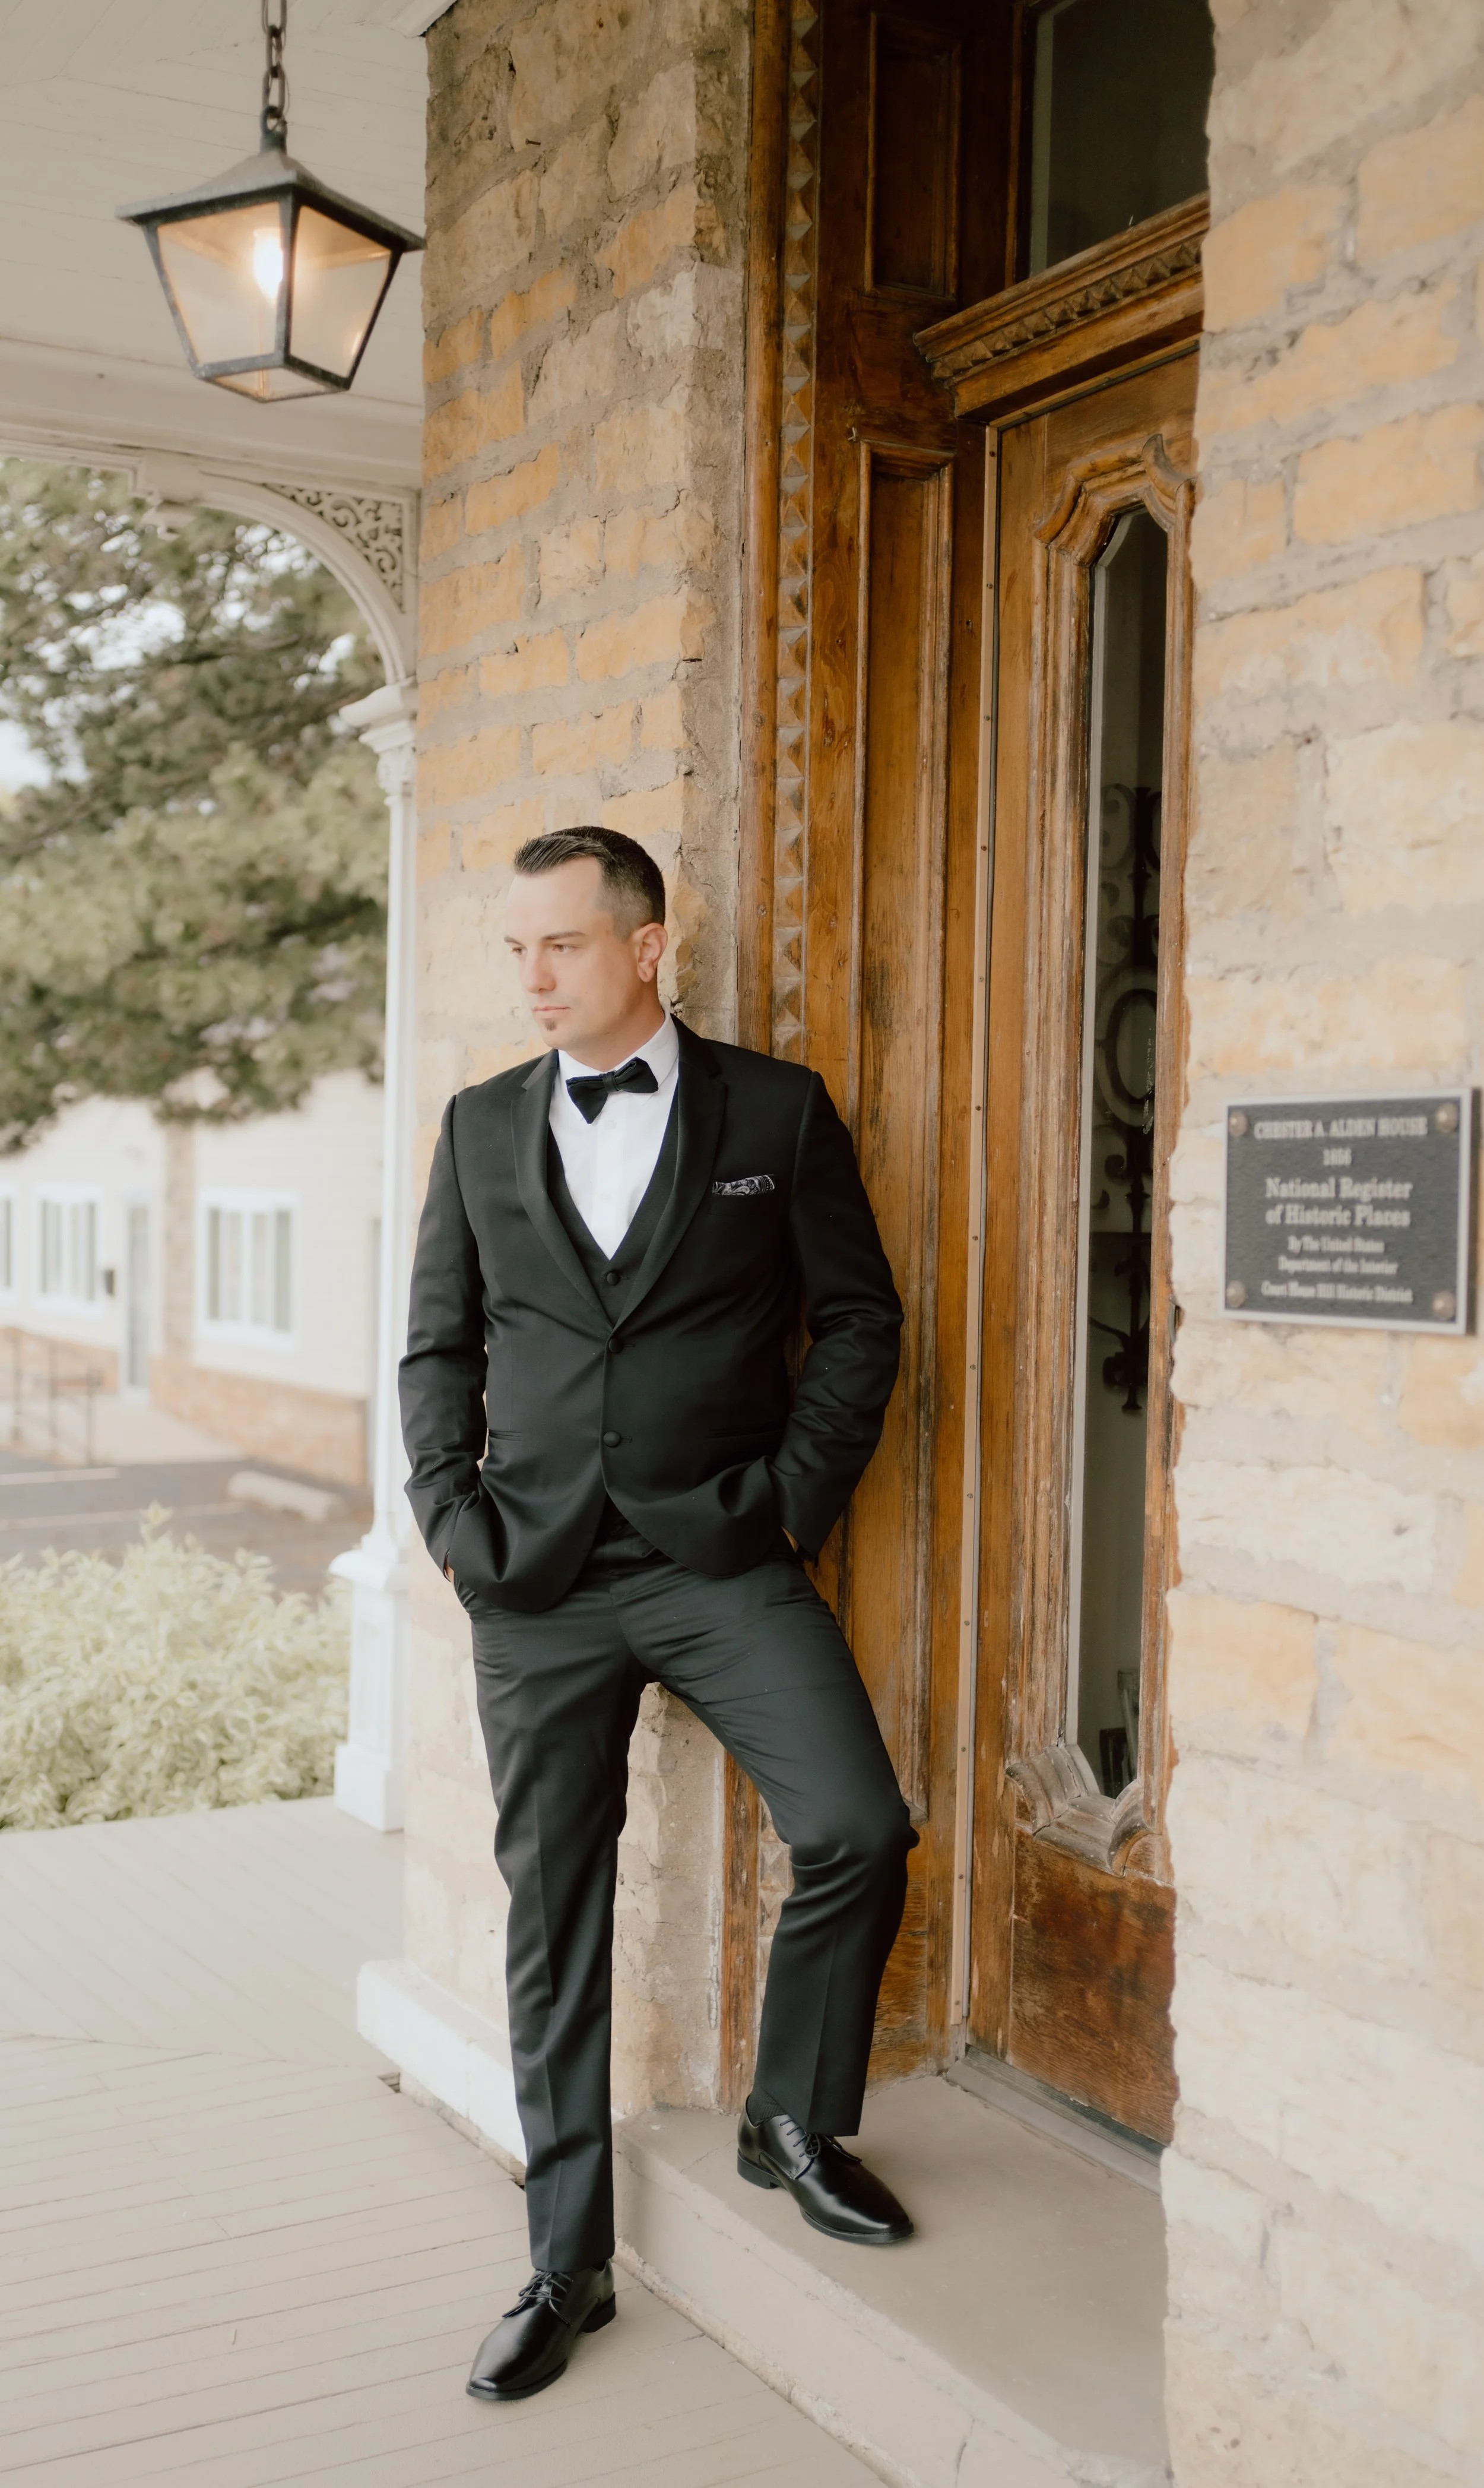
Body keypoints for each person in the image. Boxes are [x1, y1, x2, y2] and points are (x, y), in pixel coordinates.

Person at [399, 824, 915, 2405]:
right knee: (556, 1912)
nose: (533, 976)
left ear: (645, 943)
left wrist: (784, 1498)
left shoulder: (773, 1108)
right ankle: (567, 2259)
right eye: (516, 950)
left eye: (560, 943)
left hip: (721, 1554)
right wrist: (455, 1521)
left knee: (857, 1825)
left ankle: (788, 2118)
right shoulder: (481, 1123)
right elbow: (437, 1345)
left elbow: (860, 1319)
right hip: (537, 1579)